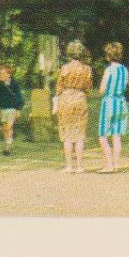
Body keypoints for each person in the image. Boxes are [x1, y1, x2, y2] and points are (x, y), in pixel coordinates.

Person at [52, 40, 93, 174]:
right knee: (80, 134)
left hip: (66, 99)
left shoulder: (64, 68)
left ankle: (69, 166)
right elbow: (88, 88)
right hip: (80, 99)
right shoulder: (87, 69)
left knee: (67, 134)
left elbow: (59, 87)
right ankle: (80, 166)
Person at [96, 41, 129, 173]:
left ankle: (109, 164)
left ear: (108, 56)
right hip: (121, 103)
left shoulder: (109, 70)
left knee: (103, 135)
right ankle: (117, 164)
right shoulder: (125, 70)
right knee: (116, 136)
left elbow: (102, 89)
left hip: (109, 102)